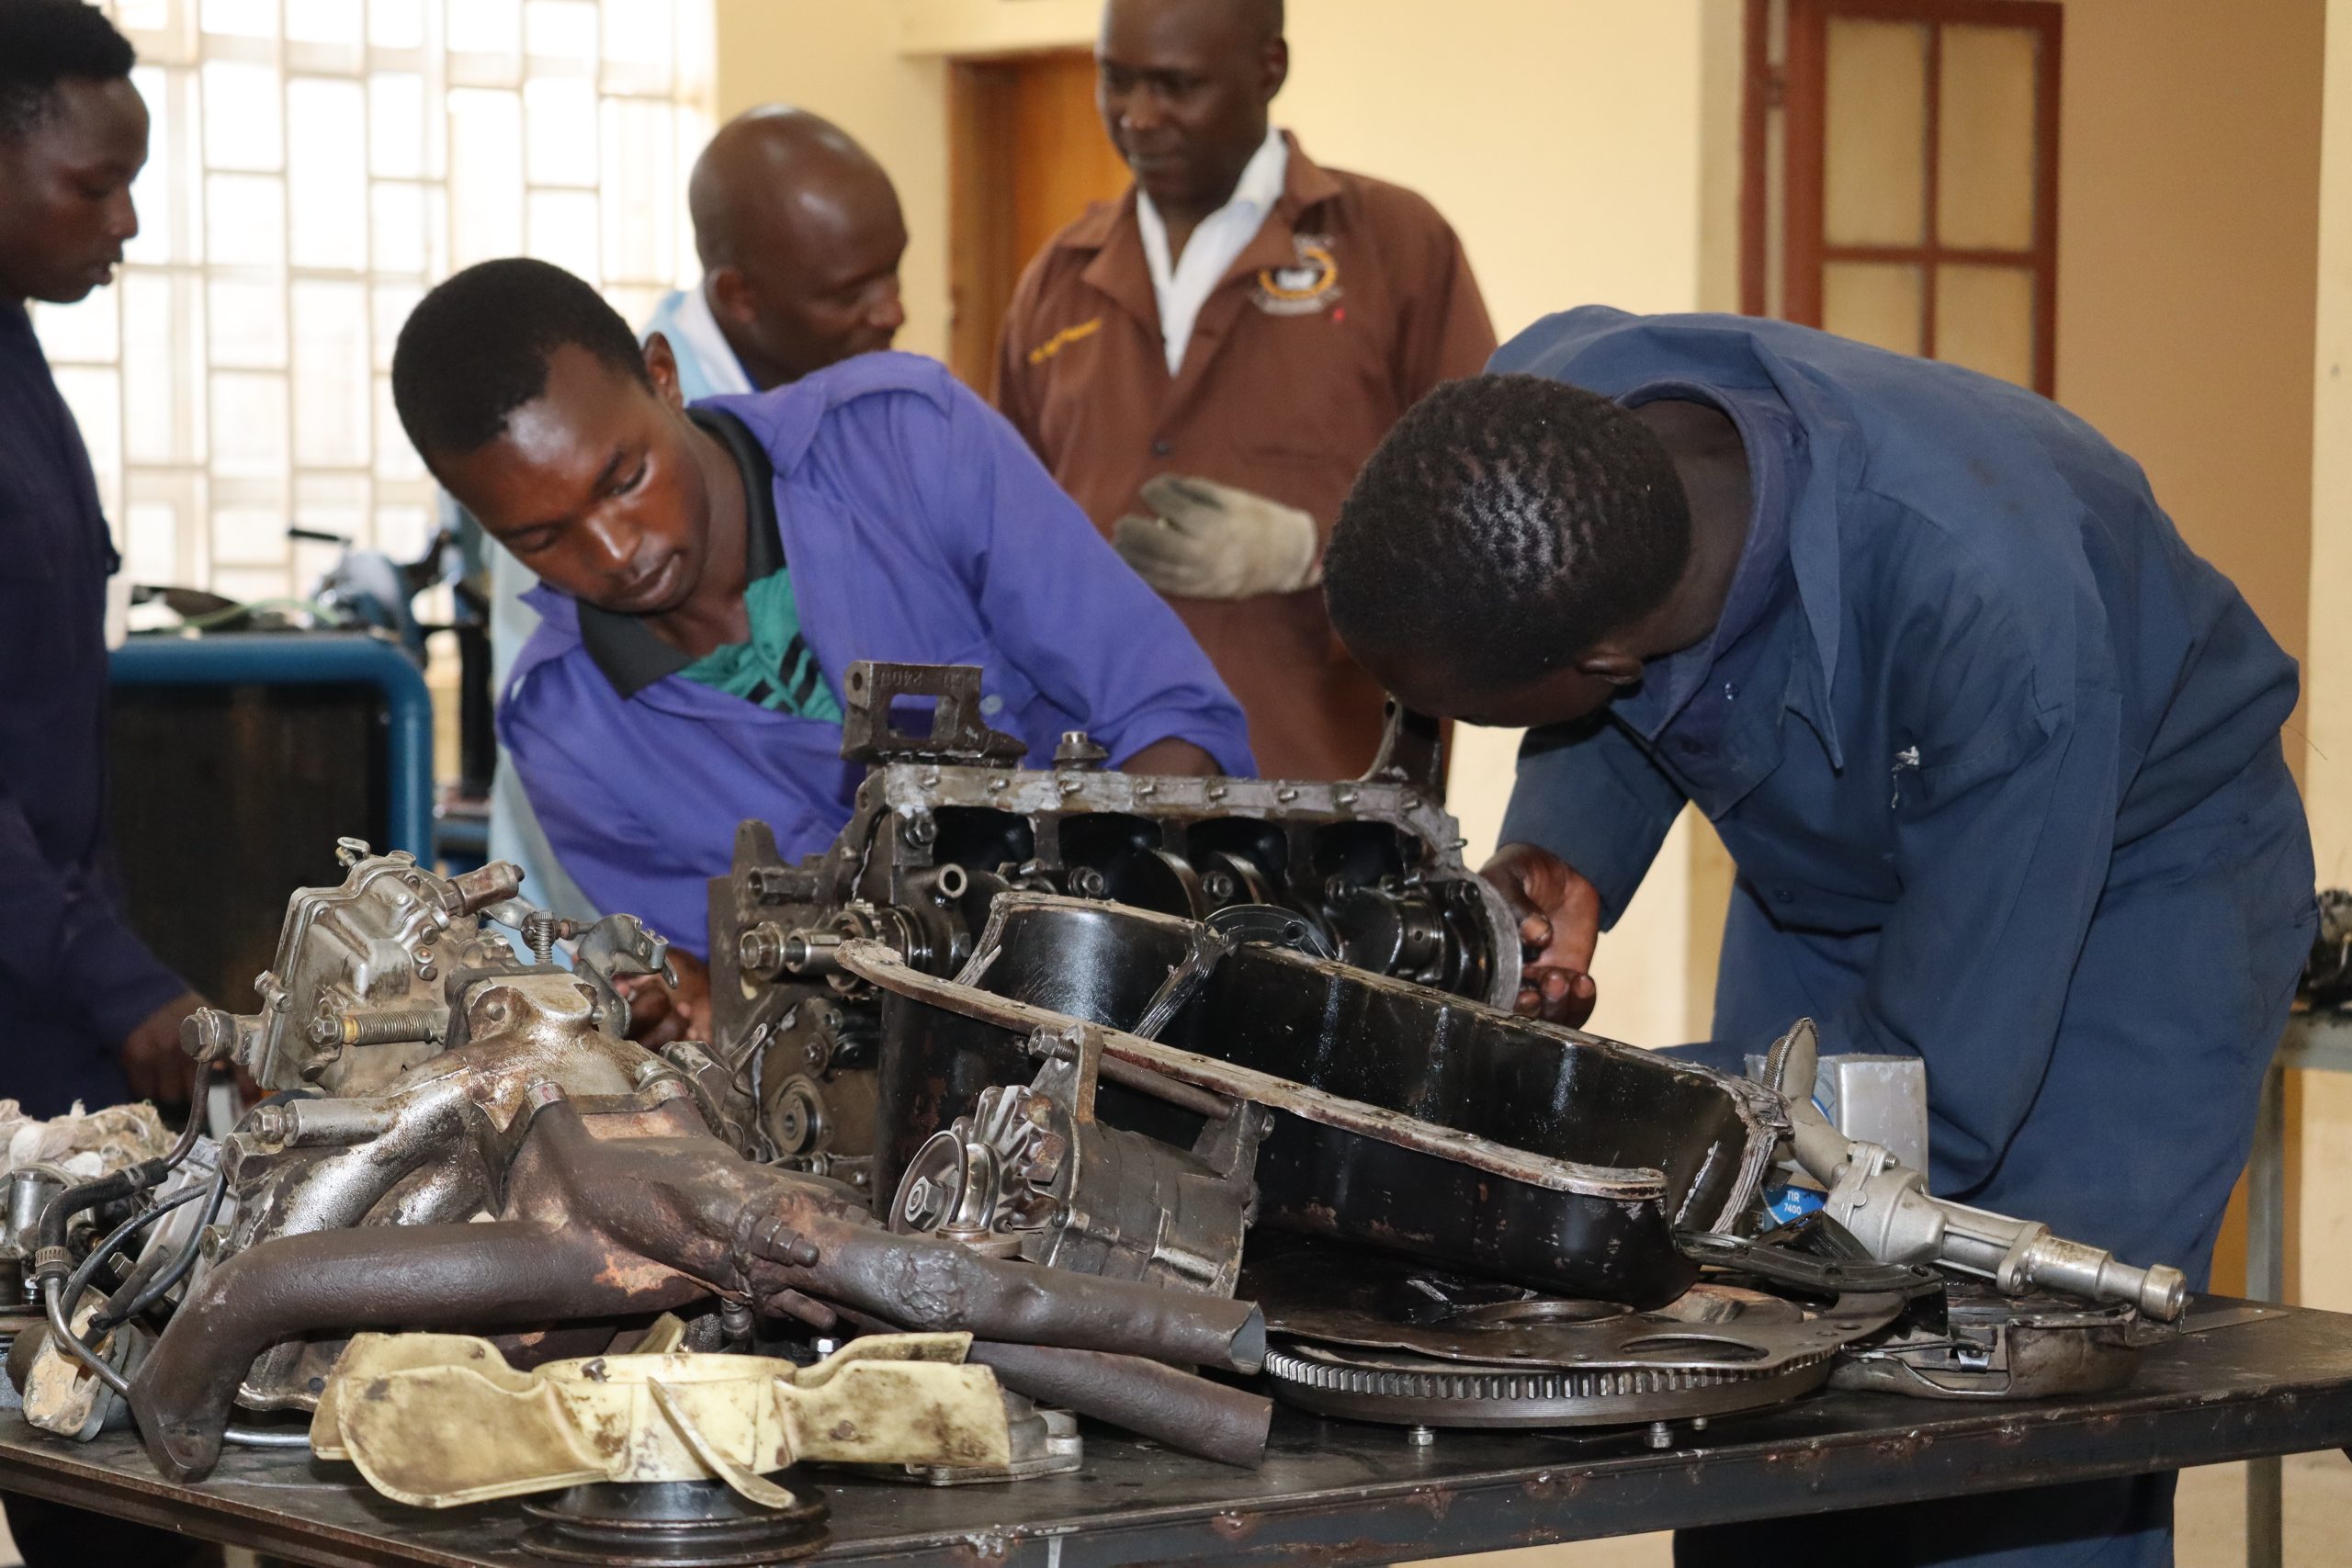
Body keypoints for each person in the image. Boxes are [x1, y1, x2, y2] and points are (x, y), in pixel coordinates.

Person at [1322, 306, 2317, 1568]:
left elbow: (1936, 1098)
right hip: (1835, 860)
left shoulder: (1997, 610)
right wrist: (1562, 849)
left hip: (2130, 884)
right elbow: (1608, 695)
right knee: (1745, 1350)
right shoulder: (1535, 427)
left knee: (2008, 1374)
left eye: (1475, 709)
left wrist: (1566, 1114)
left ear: (1607, 655)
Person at [395, 259, 1251, 1043]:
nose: (616, 550)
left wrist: (1087, 941)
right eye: (543, 537)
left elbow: (1176, 722)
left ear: (664, 376)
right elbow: (746, 1003)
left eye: (624, 480)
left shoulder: (907, 443)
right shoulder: (567, 740)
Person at [993, 0, 1495, 780]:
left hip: (1329, 799)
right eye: (1116, 81)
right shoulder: (1057, 284)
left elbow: (1488, 512)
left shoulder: (1396, 248)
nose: (1138, 117)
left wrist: (1316, 554)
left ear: (1270, 69)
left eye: (1177, 85)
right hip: (1094, 804)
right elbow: (1001, 548)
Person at [483, 105, 910, 919]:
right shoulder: (592, 451)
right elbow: (595, 742)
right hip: (637, 898)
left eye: (895, 271)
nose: (892, 310)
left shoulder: (861, 409)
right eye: (852, 290)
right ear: (739, 295)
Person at [0, 11, 218, 1564]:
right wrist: (122, 984)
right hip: (40, 984)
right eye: (95, 184)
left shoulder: (15, 354)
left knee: (120, 1456)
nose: (127, 221)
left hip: (49, 1000)